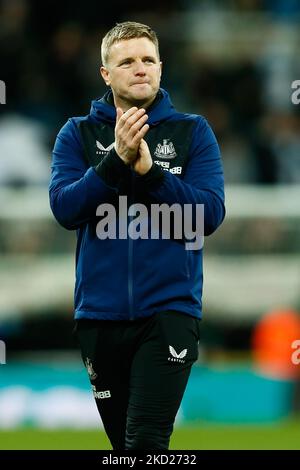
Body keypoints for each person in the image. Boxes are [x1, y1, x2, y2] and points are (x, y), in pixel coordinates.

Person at [49, 21, 225, 450]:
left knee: (146, 441)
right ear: (106, 74)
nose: (140, 68)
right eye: (126, 61)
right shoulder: (77, 133)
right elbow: (65, 208)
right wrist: (114, 163)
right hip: (98, 317)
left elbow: (209, 214)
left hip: (169, 312)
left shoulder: (192, 131)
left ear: (161, 68)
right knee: (124, 448)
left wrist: (149, 173)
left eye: (148, 59)